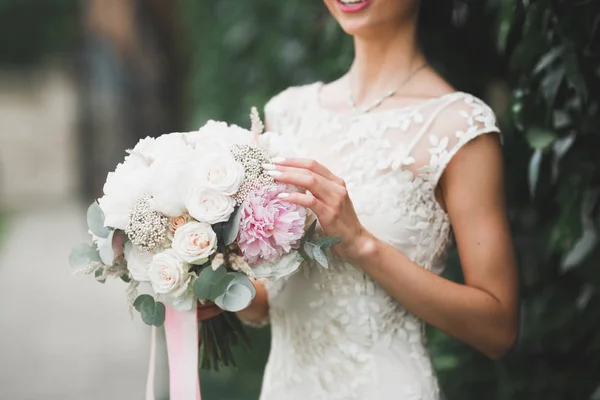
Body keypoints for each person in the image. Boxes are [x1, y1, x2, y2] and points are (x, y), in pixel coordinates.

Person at [200, 1, 518, 399]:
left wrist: (361, 244)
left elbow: (498, 329)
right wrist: (213, 283)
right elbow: (273, 297)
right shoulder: (288, 112)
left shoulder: (459, 127)